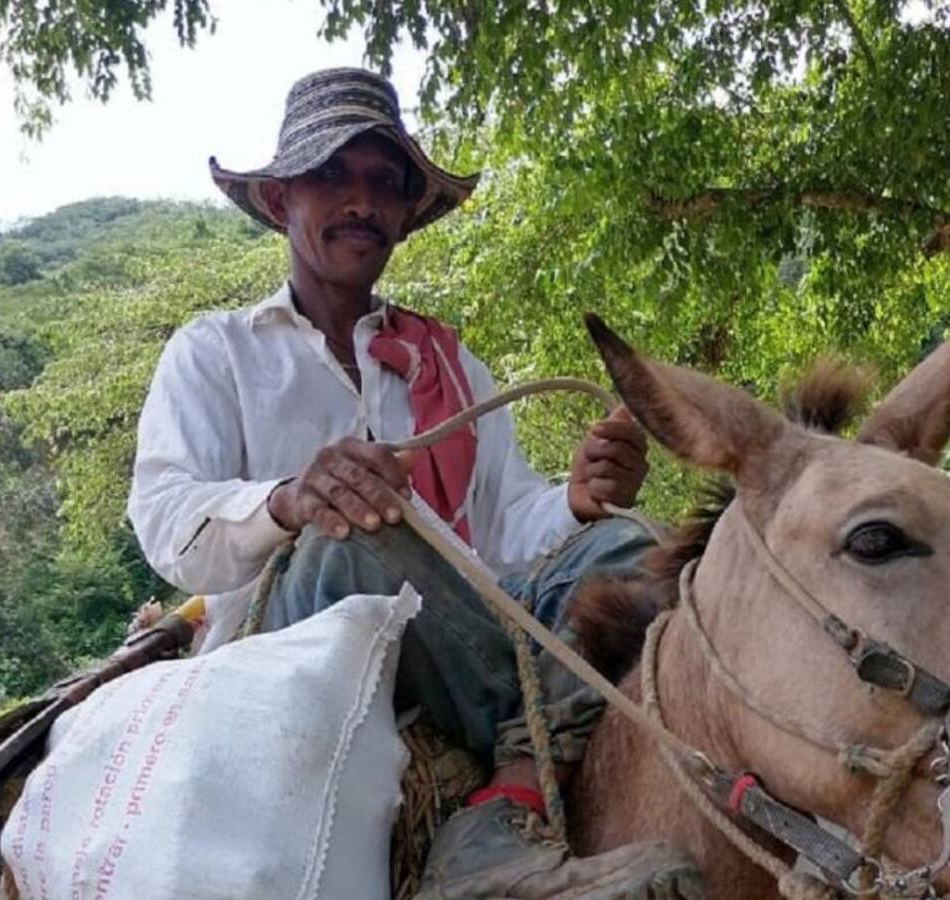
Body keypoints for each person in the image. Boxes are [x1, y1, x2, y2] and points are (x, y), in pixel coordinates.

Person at [128, 68, 698, 898]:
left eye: (383, 182)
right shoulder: (216, 351)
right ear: (282, 198)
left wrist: (578, 499)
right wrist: (289, 501)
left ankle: (506, 798)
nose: (360, 200)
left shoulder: (449, 363)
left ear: (402, 212)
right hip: (282, 646)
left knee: (629, 546)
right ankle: (544, 731)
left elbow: (504, 530)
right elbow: (165, 518)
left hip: (455, 631)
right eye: (332, 174)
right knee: (354, 535)